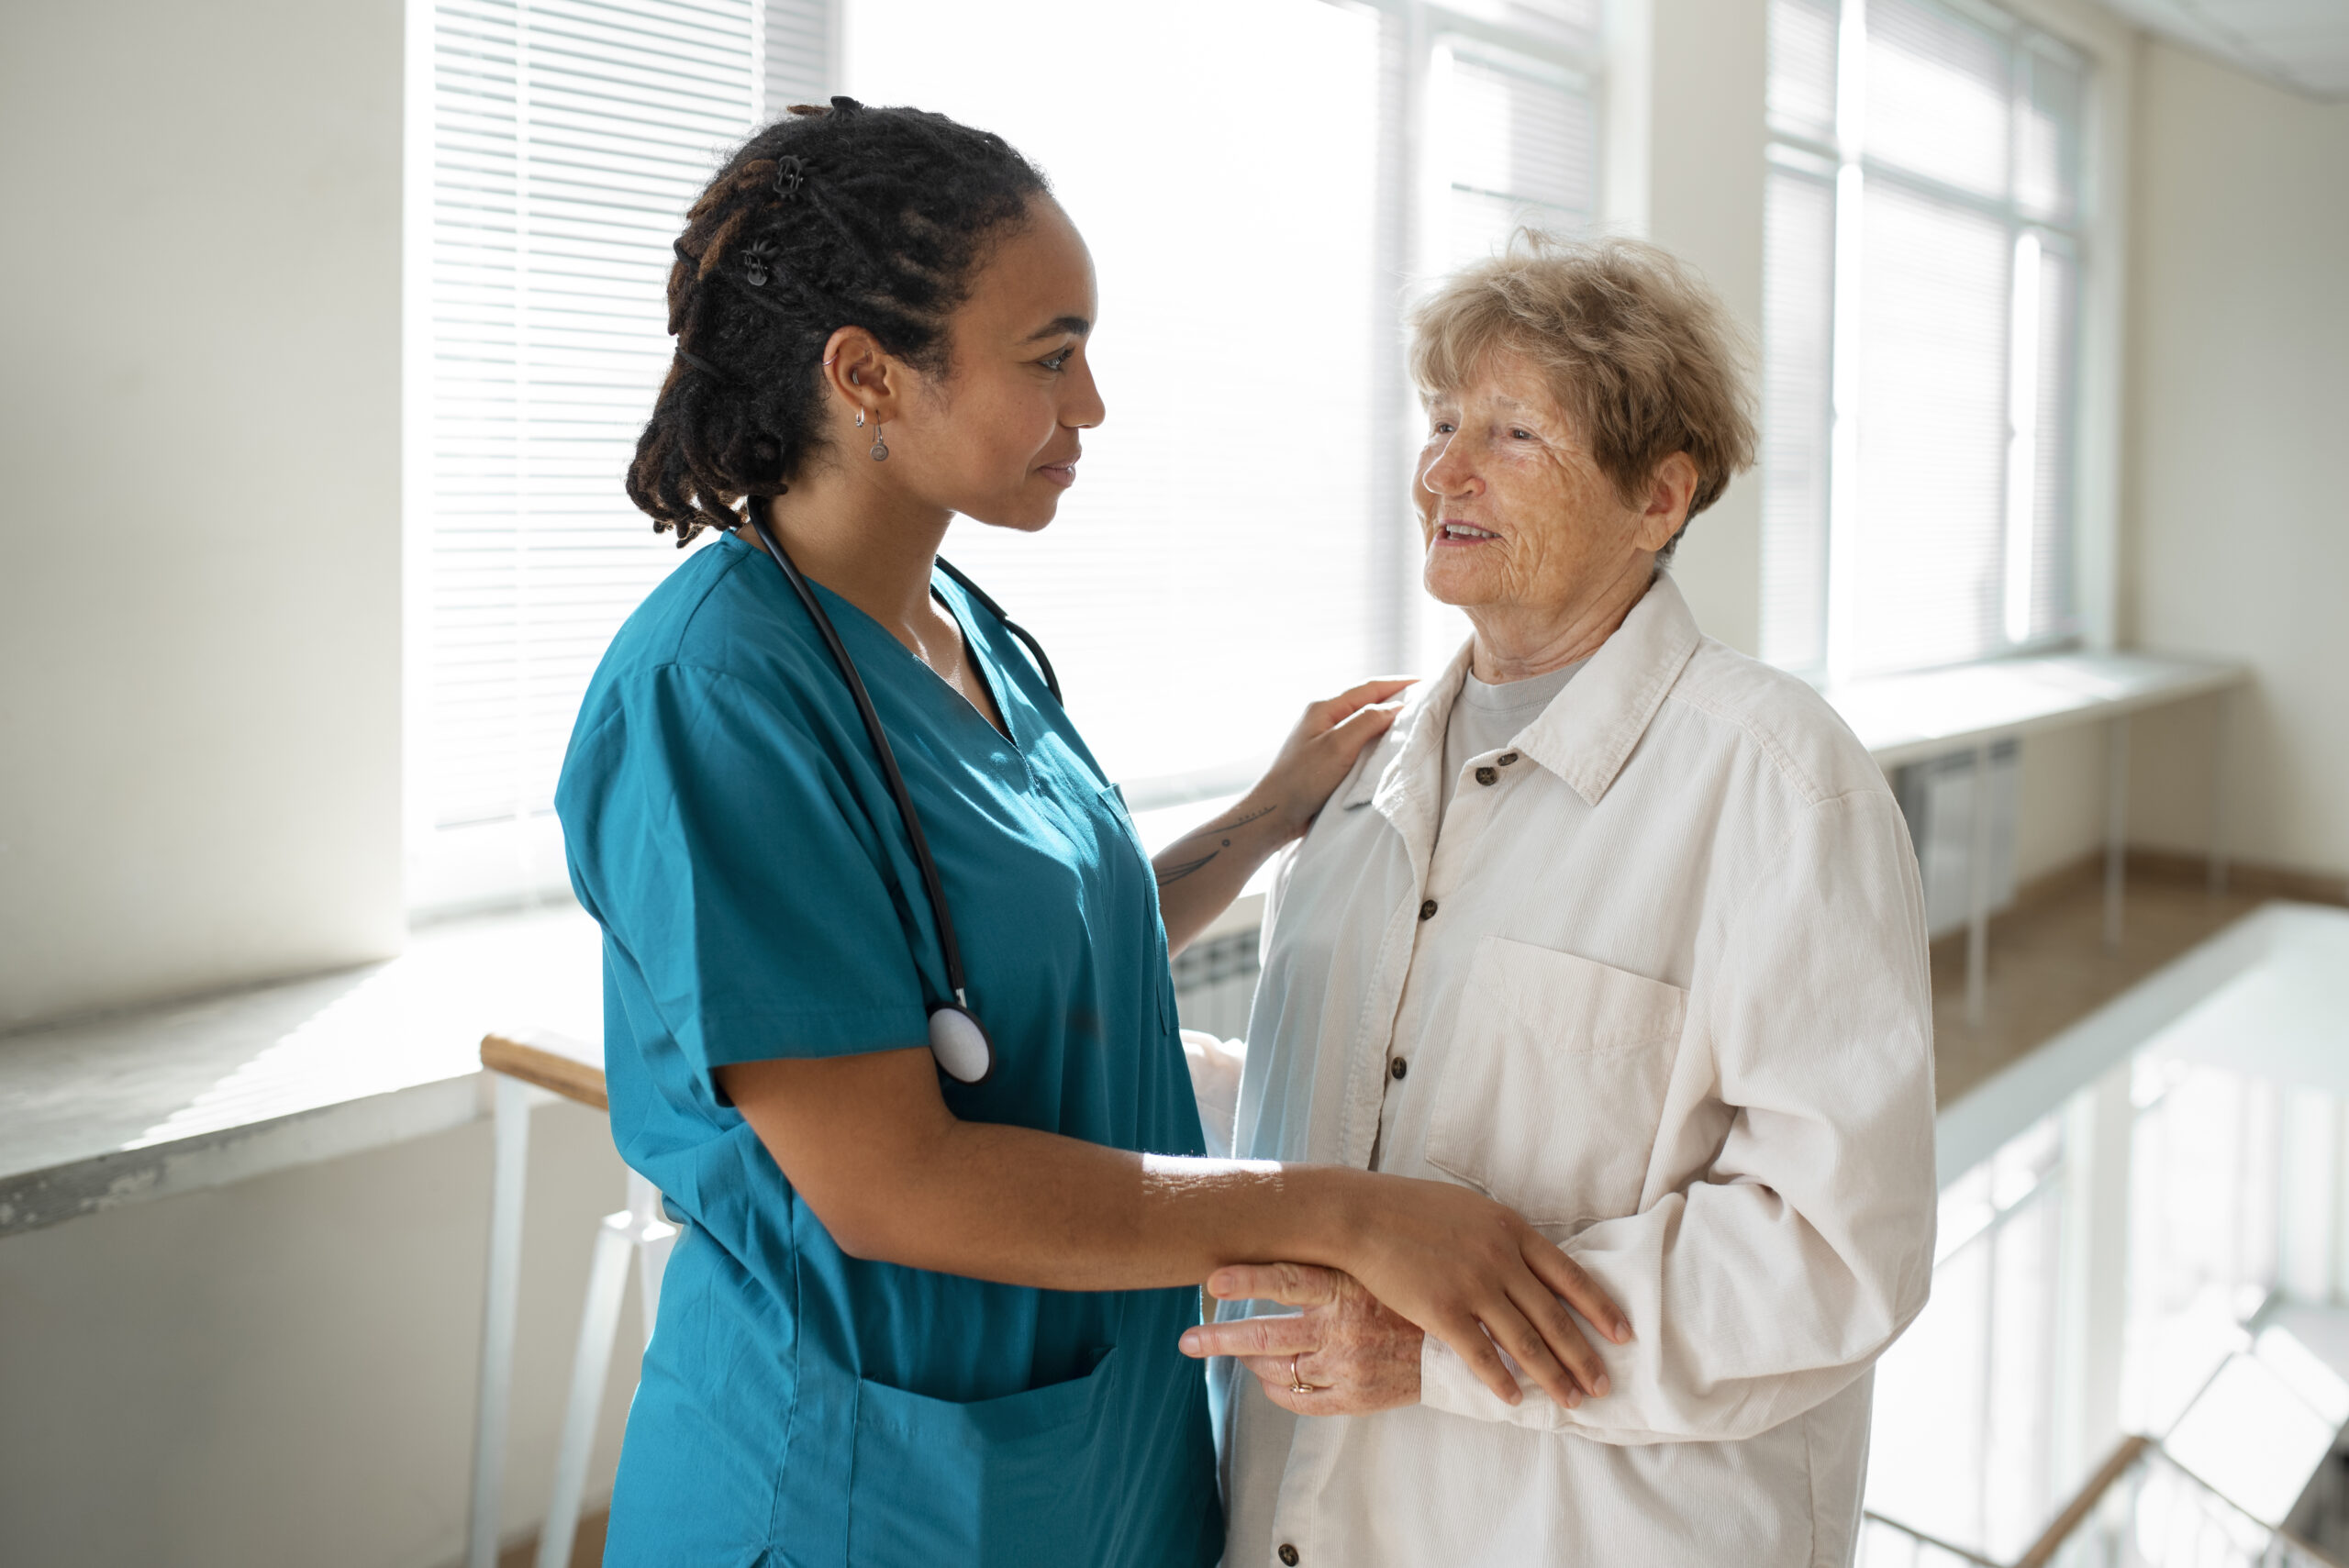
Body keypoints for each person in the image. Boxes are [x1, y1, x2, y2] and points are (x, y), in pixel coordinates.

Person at [553, 102, 1628, 1566]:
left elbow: (1008, 972)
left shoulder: (963, 628)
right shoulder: (717, 696)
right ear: (867, 375)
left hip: (1101, 1445)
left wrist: (1256, 822)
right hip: (861, 1486)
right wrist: (1352, 1216)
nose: (1096, 404)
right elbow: (893, 1179)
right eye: (1051, 357)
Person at [1181, 234, 1939, 1566]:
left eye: (1515, 432)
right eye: (1440, 420)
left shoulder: (1775, 782)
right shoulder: (1358, 781)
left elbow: (1830, 1250)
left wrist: (1436, 1350)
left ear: (1659, 495)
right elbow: (1338, 1106)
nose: (1443, 470)